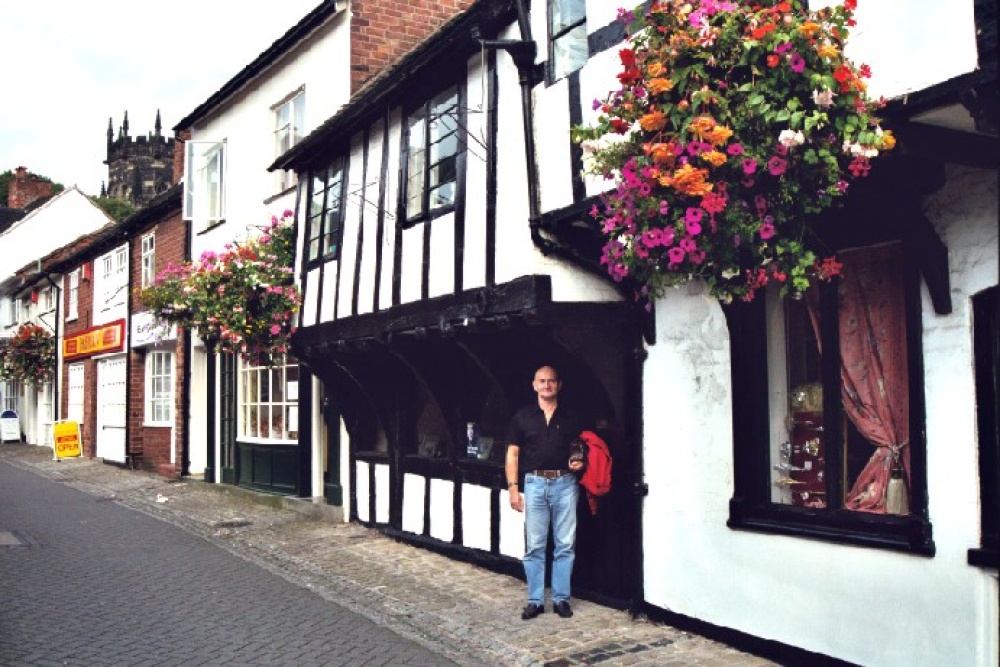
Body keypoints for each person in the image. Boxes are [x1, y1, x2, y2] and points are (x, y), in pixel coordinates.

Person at [505, 364, 586, 620]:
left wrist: (579, 460)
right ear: (534, 384)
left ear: (559, 385)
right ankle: (535, 600)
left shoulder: (572, 416)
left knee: (565, 545)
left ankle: (561, 599)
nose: (547, 385)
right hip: (534, 484)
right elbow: (513, 454)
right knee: (535, 545)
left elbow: (580, 446)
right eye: (542, 380)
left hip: (565, 484)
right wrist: (513, 489)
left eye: (552, 381)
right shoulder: (522, 416)